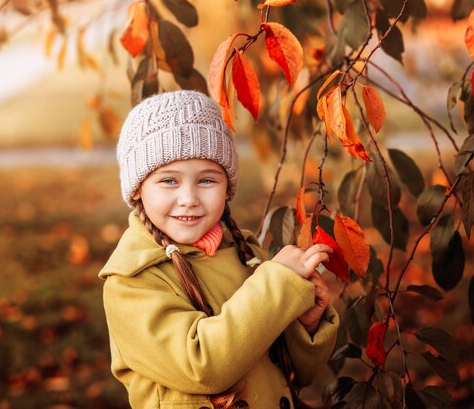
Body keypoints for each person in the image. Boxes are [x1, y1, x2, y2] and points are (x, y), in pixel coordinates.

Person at [99, 90, 339, 409]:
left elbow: (299, 373)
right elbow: (204, 367)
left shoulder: (245, 254)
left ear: (227, 187)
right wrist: (277, 282)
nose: (189, 198)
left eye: (207, 181)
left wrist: (305, 324)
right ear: (138, 189)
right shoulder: (131, 281)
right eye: (169, 181)